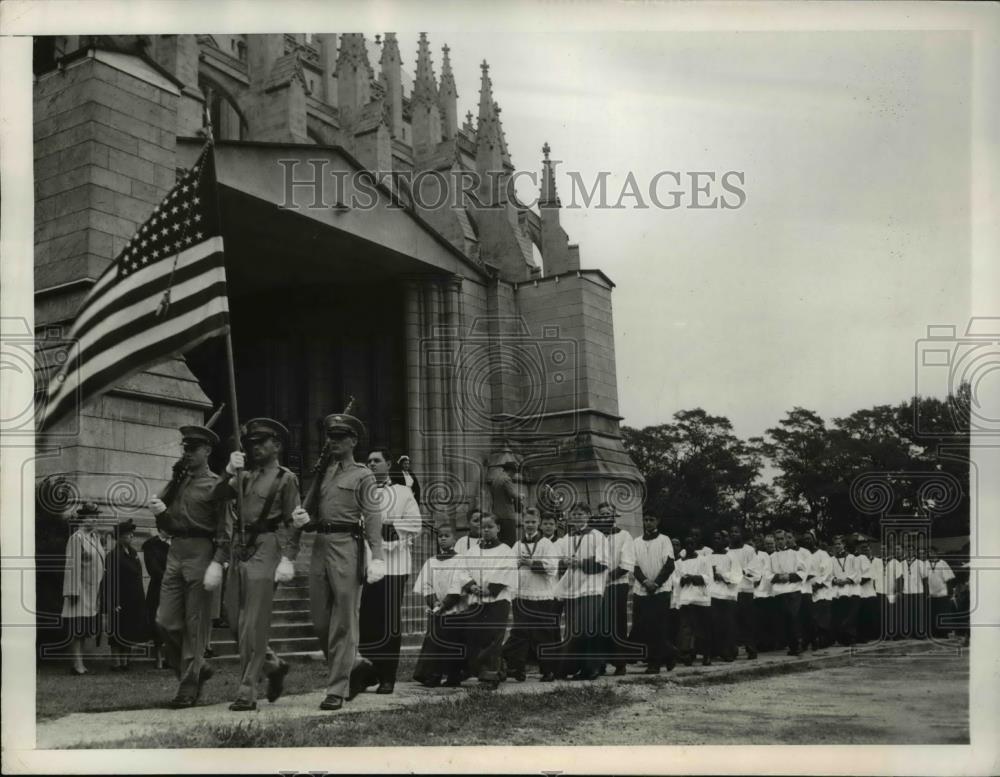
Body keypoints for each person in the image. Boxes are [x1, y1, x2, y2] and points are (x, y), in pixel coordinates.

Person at [295, 412, 385, 712]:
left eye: (339, 438)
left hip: (348, 546)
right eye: (330, 437)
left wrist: (378, 556)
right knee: (321, 620)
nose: (332, 442)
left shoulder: (363, 475)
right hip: (320, 545)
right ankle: (355, 664)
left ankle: (337, 688)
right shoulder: (325, 472)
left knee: (344, 621)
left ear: (353, 441)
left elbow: (373, 517)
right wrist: (305, 519)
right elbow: (317, 510)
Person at [217, 418, 304, 711]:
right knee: (232, 618)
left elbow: (294, 522)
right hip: (238, 548)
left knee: (253, 624)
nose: (254, 447)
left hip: (266, 548)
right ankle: (273, 665)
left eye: (261, 442)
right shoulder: (243, 475)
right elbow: (215, 496)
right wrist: (228, 470)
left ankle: (247, 689)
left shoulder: (285, 479)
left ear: (276, 445)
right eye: (251, 443)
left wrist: (288, 558)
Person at [148, 425, 230, 707]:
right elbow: (168, 524)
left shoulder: (216, 484)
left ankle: (188, 686)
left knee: (196, 625)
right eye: (185, 448)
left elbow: (224, 529)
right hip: (176, 552)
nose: (188, 453)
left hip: (201, 551)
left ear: (207, 451)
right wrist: (161, 514)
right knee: (165, 621)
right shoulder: (179, 481)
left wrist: (217, 562)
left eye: (193, 449)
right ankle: (194, 669)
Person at [355, 448, 423, 694]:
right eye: (369, 460)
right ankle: (369, 672)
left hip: (394, 565)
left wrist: (389, 526)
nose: (371, 464)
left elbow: (416, 523)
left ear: (388, 463)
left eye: (376, 460)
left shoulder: (403, 491)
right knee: (367, 621)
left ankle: (387, 676)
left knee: (388, 621)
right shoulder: (363, 491)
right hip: (369, 563)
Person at [450, 513, 516, 689]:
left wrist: (490, 589)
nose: (486, 530)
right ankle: (488, 669)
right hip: (476, 598)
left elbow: (506, 570)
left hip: (497, 599)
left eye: (490, 527)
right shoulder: (472, 552)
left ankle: (490, 675)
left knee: (493, 636)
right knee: (476, 634)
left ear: (498, 529)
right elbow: (462, 571)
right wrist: (472, 586)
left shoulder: (505, 551)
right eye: (483, 527)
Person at [553, 502, 609, 680]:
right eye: (574, 514)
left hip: (591, 587)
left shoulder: (597, 536)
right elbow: (555, 560)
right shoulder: (566, 539)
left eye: (580, 514)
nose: (577, 517)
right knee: (572, 630)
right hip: (572, 588)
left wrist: (581, 563)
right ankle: (582, 666)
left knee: (585, 628)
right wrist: (564, 563)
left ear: (588, 516)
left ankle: (590, 667)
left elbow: (603, 563)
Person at [503, 508, 559, 682]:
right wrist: (517, 565)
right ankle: (517, 668)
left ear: (539, 523)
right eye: (527, 522)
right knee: (520, 633)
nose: (529, 525)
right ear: (523, 523)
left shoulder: (546, 544)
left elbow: (551, 567)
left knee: (543, 632)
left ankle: (548, 670)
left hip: (541, 594)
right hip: (521, 593)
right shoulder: (517, 545)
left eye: (533, 522)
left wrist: (530, 563)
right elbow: (509, 565)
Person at [412, 523, 468, 687]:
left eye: (446, 536)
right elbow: (425, 584)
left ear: (454, 539)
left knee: (454, 642)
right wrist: (434, 602)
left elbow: (458, 584)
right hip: (436, 609)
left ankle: (453, 675)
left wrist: (445, 605)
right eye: (440, 536)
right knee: (435, 641)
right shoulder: (431, 562)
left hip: (453, 609)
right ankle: (432, 674)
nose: (442, 539)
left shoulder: (460, 560)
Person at [61, 502, 107, 675]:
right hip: (79, 591)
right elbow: (71, 566)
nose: (93, 520)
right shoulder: (77, 538)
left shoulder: (94, 538)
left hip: (93, 590)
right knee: (77, 629)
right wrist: (72, 591)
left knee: (84, 629)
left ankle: (80, 663)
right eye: (89, 517)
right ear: (82, 519)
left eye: (95, 517)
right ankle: (77, 664)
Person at [628, 514, 676, 673]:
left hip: (660, 589)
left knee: (658, 626)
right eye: (646, 520)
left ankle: (655, 663)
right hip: (642, 589)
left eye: (652, 520)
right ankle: (669, 653)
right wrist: (645, 582)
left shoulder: (664, 540)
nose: (648, 523)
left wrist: (656, 583)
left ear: (658, 521)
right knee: (643, 626)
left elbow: (669, 565)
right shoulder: (636, 542)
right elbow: (633, 566)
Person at [595, 502, 638, 675]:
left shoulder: (624, 536)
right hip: (598, 586)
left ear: (614, 516)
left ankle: (620, 663)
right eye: (602, 514)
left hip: (617, 584)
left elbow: (626, 564)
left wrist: (607, 577)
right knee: (600, 624)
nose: (605, 517)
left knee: (617, 623)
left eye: (608, 514)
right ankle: (601, 662)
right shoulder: (596, 536)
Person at [100, 519, 149, 671]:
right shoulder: (113, 556)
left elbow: (138, 576)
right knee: (117, 632)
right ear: (119, 537)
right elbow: (109, 581)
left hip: (133, 598)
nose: (131, 537)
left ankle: (126, 662)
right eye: (128, 534)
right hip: (120, 599)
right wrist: (113, 602)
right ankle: (116, 662)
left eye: (132, 534)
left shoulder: (133, 553)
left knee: (130, 631)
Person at [675, 534, 714, 666]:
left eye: (692, 544)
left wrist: (694, 577)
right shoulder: (679, 563)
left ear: (696, 545)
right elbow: (675, 579)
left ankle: (706, 655)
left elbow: (709, 577)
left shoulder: (704, 560)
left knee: (703, 627)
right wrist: (682, 580)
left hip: (700, 598)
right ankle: (688, 654)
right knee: (687, 627)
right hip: (686, 598)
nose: (690, 546)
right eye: (687, 544)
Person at [768, 529, 807, 656]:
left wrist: (789, 577)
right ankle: (791, 645)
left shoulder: (795, 554)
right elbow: (767, 573)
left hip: (793, 589)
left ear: (786, 539)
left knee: (793, 616)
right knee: (784, 619)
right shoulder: (772, 556)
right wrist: (778, 577)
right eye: (777, 539)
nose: (779, 541)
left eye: (782, 539)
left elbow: (803, 571)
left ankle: (798, 644)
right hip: (779, 591)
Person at [709, 530, 742, 662]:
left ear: (724, 541)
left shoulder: (731, 556)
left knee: (728, 624)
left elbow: (737, 575)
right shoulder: (708, 557)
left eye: (719, 539)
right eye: (714, 538)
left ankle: (729, 651)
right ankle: (716, 650)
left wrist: (722, 576)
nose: (716, 541)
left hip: (727, 594)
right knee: (715, 624)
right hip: (713, 593)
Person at [728, 526, 759, 659]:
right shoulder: (726, 551)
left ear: (741, 534)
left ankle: (751, 649)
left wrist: (741, 572)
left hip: (746, 590)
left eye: (736, 531)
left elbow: (755, 570)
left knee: (747, 621)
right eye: (732, 532)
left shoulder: (749, 550)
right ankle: (733, 650)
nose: (734, 534)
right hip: (732, 591)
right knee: (732, 621)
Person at [141, 529, 171, 669]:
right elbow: (153, 568)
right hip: (159, 587)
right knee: (158, 621)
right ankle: (158, 657)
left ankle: (171, 657)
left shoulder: (179, 543)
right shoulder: (151, 545)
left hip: (177, 588)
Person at [829, 535, 861, 646]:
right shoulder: (832, 559)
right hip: (838, 590)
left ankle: (851, 637)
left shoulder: (852, 558)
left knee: (850, 615)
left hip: (851, 589)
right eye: (835, 544)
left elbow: (857, 573)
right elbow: (829, 574)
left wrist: (847, 580)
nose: (837, 546)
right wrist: (835, 580)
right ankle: (841, 638)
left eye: (839, 544)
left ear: (844, 545)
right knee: (840, 614)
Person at [805, 535, 834, 649]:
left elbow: (826, 572)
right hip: (809, 590)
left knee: (822, 618)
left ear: (814, 540)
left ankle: (824, 640)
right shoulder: (805, 555)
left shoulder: (823, 554)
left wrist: (817, 585)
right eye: (805, 539)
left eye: (809, 539)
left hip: (822, 591)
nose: (808, 541)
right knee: (812, 618)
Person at [789, 533, 815, 651]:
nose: (788, 540)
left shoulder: (805, 552)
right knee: (795, 617)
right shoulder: (784, 554)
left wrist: (795, 576)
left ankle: (809, 640)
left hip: (804, 589)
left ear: (794, 538)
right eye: (786, 538)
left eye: (790, 537)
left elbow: (809, 571)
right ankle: (798, 642)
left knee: (806, 616)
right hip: (791, 590)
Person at [488, 461, 523, 546]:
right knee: (510, 543)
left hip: (497, 515)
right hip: (507, 516)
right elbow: (514, 495)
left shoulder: (495, 480)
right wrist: (521, 496)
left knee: (500, 542)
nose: (514, 475)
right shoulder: (506, 479)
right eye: (514, 473)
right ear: (511, 471)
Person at [901, 541, 929, 639]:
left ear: (914, 552)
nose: (909, 552)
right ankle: (909, 632)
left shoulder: (920, 563)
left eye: (911, 550)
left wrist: (926, 592)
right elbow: (901, 578)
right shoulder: (902, 563)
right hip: (906, 592)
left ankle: (920, 633)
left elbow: (925, 578)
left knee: (919, 613)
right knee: (907, 613)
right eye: (907, 550)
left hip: (919, 591)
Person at [926, 546, 956, 639]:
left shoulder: (942, 563)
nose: (931, 554)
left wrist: (950, 592)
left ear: (936, 553)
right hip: (931, 593)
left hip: (942, 592)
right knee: (933, 614)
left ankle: (944, 632)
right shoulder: (925, 563)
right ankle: (934, 632)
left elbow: (949, 579)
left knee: (943, 614)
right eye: (929, 552)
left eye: (932, 552)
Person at [753, 534, 776, 651]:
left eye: (771, 544)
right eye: (767, 544)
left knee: (770, 619)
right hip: (758, 592)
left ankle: (771, 642)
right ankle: (761, 643)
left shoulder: (770, 555)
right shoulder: (756, 555)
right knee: (760, 620)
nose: (769, 546)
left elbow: (768, 572)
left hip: (769, 591)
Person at [855, 541, 878, 643]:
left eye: (866, 549)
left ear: (870, 549)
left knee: (870, 615)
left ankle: (872, 635)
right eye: (862, 549)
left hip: (870, 592)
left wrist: (855, 581)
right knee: (862, 615)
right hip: (860, 593)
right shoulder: (857, 560)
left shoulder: (873, 561)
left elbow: (868, 577)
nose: (865, 551)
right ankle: (863, 635)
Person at [885, 540, 906, 640]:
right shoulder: (888, 561)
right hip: (888, 590)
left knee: (898, 613)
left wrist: (899, 591)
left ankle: (899, 633)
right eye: (894, 549)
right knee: (890, 613)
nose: (896, 551)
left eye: (898, 549)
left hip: (898, 590)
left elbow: (899, 578)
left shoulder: (900, 562)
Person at [870, 544, 887, 642]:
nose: (883, 551)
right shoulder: (876, 561)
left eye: (884, 549)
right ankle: (877, 633)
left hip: (886, 589)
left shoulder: (887, 561)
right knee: (877, 612)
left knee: (885, 612)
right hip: (876, 590)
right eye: (881, 549)